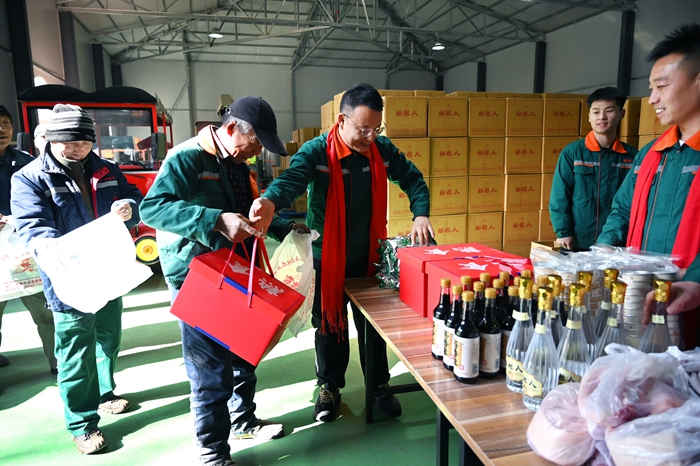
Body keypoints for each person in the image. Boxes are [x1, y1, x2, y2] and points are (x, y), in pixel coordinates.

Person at [249, 82, 433, 423]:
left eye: (375, 129)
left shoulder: (381, 150)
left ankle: (379, 384)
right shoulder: (317, 152)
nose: (369, 137)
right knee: (329, 327)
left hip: (369, 259)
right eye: (363, 129)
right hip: (327, 259)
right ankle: (330, 387)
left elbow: (413, 179)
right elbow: (291, 180)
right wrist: (270, 200)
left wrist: (420, 212)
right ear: (342, 120)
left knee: (373, 328)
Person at [140, 96, 301, 466]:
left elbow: (244, 210)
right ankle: (212, 451)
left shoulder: (238, 163)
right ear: (231, 129)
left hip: (237, 271)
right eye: (255, 143)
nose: (257, 152)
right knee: (210, 369)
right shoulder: (187, 158)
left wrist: (284, 226)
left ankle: (243, 421)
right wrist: (213, 220)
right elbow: (153, 209)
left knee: (244, 353)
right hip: (198, 277)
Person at [10, 104, 143, 454]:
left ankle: (104, 393)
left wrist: (129, 209)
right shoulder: (30, 177)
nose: (77, 149)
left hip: (108, 271)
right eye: (68, 142)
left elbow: (135, 197)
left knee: (108, 338)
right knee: (74, 349)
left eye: (84, 142)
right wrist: (54, 248)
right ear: (52, 140)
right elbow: (32, 226)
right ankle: (82, 424)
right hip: (67, 277)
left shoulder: (106, 169)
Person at [598, 23, 700, 348]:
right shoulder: (651, 154)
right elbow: (622, 207)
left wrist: (696, 279)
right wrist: (604, 248)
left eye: (662, 86)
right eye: (651, 88)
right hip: (643, 298)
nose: (652, 98)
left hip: (690, 301)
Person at [0, 104, 56, 373]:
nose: (2, 129)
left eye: (5, 123)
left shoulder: (26, 162)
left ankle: (60, 363)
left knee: (46, 311)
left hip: (25, 249)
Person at [549, 87, 638, 251]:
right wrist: (563, 232)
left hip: (617, 243)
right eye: (596, 112)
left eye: (609, 111)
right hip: (578, 241)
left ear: (622, 114)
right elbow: (559, 196)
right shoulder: (573, 153)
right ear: (589, 116)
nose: (602, 117)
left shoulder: (632, 156)